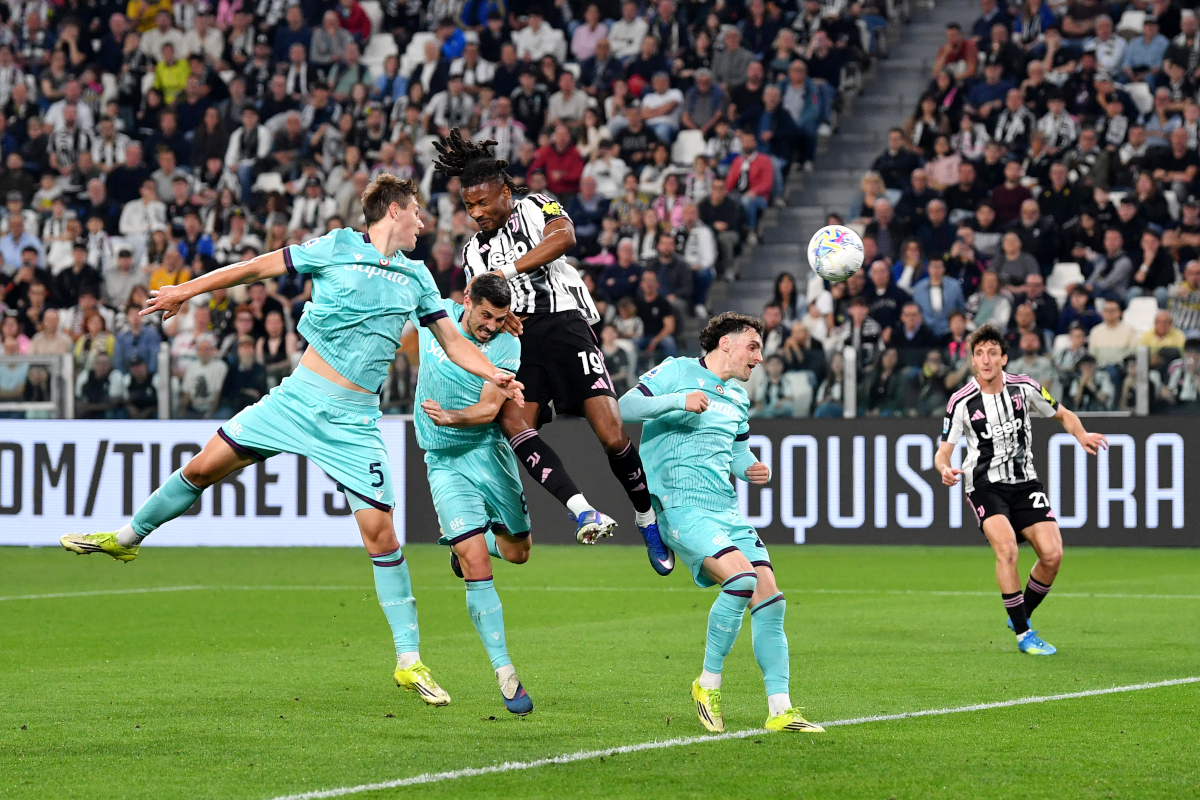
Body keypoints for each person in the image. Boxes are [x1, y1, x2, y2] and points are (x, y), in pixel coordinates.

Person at [61, 176, 523, 709]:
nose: (423, 222)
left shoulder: (417, 278)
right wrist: (186, 290)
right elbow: (254, 268)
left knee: (383, 538)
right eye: (416, 212)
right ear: (393, 211)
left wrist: (497, 373)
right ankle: (127, 536)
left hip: (354, 424)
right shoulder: (335, 247)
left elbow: (451, 341)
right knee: (203, 469)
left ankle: (408, 660)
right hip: (297, 399)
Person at [436, 129, 673, 574]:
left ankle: (646, 520)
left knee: (611, 433)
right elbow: (482, 307)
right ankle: (576, 509)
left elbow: (563, 239)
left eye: (484, 202)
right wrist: (491, 320)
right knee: (511, 426)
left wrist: (505, 271)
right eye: (469, 206)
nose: (477, 212)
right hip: (520, 341)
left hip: (566, 325)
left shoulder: (536, 205)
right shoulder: (471, 253)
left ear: (505, 192)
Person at [618, 312, 824, 734]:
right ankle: (707, 684)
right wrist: (679, 399)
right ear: (725, 343)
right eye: (753, 347)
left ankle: (781, 709)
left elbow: (736, 453)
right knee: (742, 580)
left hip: (726, 510)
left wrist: (751, 468)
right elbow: (623, 407)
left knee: (772, 600)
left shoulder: (739, 398)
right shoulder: (677, 370)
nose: (760, 357)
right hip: (679, 507)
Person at [936, 325, 1108, 656]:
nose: (986, 360)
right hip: (984, 486)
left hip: (1025, 483)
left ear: (1004, 358)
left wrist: (1081, 435)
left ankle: (1019, 614)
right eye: (979, 354)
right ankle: (1024, 634)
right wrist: (944, 468)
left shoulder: (1024, 388)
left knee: (1053, 554)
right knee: (1007, 549)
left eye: (992, 353)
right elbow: (943, 450)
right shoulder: (961, 402)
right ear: (972, 361)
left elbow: (1063, 413)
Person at [415, 273, 535, 716]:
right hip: (443, 461)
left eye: (500, 318)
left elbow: (489, 409)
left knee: (518, 552)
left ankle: (469, 544)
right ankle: (506, 674)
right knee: (476, 562)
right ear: (466, 300)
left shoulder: (507, 345)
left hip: (488, 452)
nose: (491, 325)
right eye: (485, 315)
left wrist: (449, 417)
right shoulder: (436, 318)